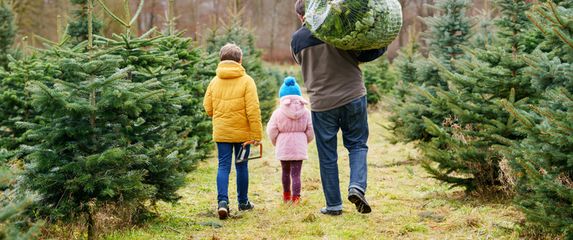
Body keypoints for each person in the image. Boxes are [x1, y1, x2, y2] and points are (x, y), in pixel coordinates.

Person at [291, 0, 387, 215]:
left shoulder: (297, 39)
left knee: (327, 155)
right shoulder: (339, 28)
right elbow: (367, 54)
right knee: (357, 145)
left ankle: (334, 205)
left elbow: (301, 62)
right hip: (352, 96)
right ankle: (357, 187)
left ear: (301, 16)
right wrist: (383, 42)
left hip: (322, 103)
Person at [203, 43, 263, 220]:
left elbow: (207, 107)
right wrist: (257, 135)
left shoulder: (214, 81)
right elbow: (253, 110)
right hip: (243, 135)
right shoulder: (247, 81)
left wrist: (221, 115)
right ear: (240, 60)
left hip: (222, 133)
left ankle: (222, 203)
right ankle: (243, 202)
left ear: (221, 59)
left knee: (223, 166)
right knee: (241, 166)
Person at [267, 77, 314, 205]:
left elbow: (271, 130)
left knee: (285, 172)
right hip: (299, 146)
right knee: (296, 173)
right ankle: (296, 199)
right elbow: (311, 130)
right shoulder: (306, 112)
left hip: (284, 145)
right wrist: (305, 141)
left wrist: (276, 141)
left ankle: (286, 196)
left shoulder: (278, 112)